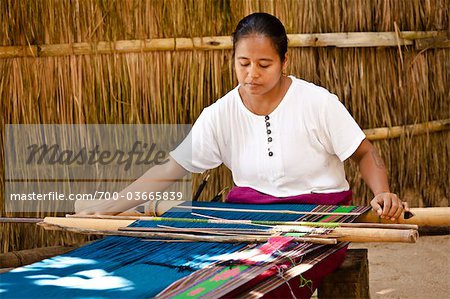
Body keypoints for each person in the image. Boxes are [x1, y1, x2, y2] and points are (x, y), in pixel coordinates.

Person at [79, 12, 409, 298]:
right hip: (246, 219)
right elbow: (171, 168)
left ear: (284, 61)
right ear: (233, 59)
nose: (252, 73)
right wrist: (108, 208)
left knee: (258, 279)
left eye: (264, 64)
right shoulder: (219, 114)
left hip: (318, 220)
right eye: (243, 63)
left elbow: (365, 153)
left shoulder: (318, 103)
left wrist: (382, 194)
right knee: (180, 269)